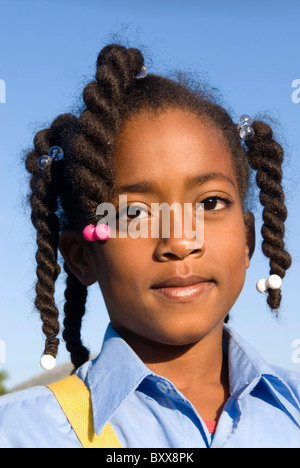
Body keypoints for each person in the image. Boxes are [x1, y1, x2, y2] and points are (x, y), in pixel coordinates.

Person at [0, 44, 299, 448]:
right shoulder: (23, 433)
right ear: (80, 256)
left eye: (210, 203)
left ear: (247, 240)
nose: (179, 241)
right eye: (134, 214)